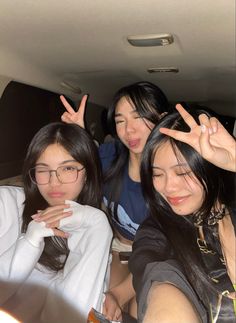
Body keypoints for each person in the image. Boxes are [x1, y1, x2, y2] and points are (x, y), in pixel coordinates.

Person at [60, 81, 172, 320]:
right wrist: (78, 135)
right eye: (120, 121)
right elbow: (75, 167)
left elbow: (162, 251)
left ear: (162, 118)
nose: (128, 131)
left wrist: (120, 295)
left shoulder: (172, 178)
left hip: (156, 253)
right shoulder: (110, 156)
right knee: (94, 300)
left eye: (138, 117)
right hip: (115, 244)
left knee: (137, 308)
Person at [129, 104, 236, 323]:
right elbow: (149, 265)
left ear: (210, 166)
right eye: (157, 174)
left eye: (182, 172)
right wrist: (162, 293)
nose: (169, 187)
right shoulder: (157, 229)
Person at [0, 122, 112, 323]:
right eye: (43, 170)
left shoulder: (94, 225)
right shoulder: (6, 203)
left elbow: (74, 313)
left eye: (67, 168)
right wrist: (30, 241)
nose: (54, 182)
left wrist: (95, 224)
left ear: (87, 173)